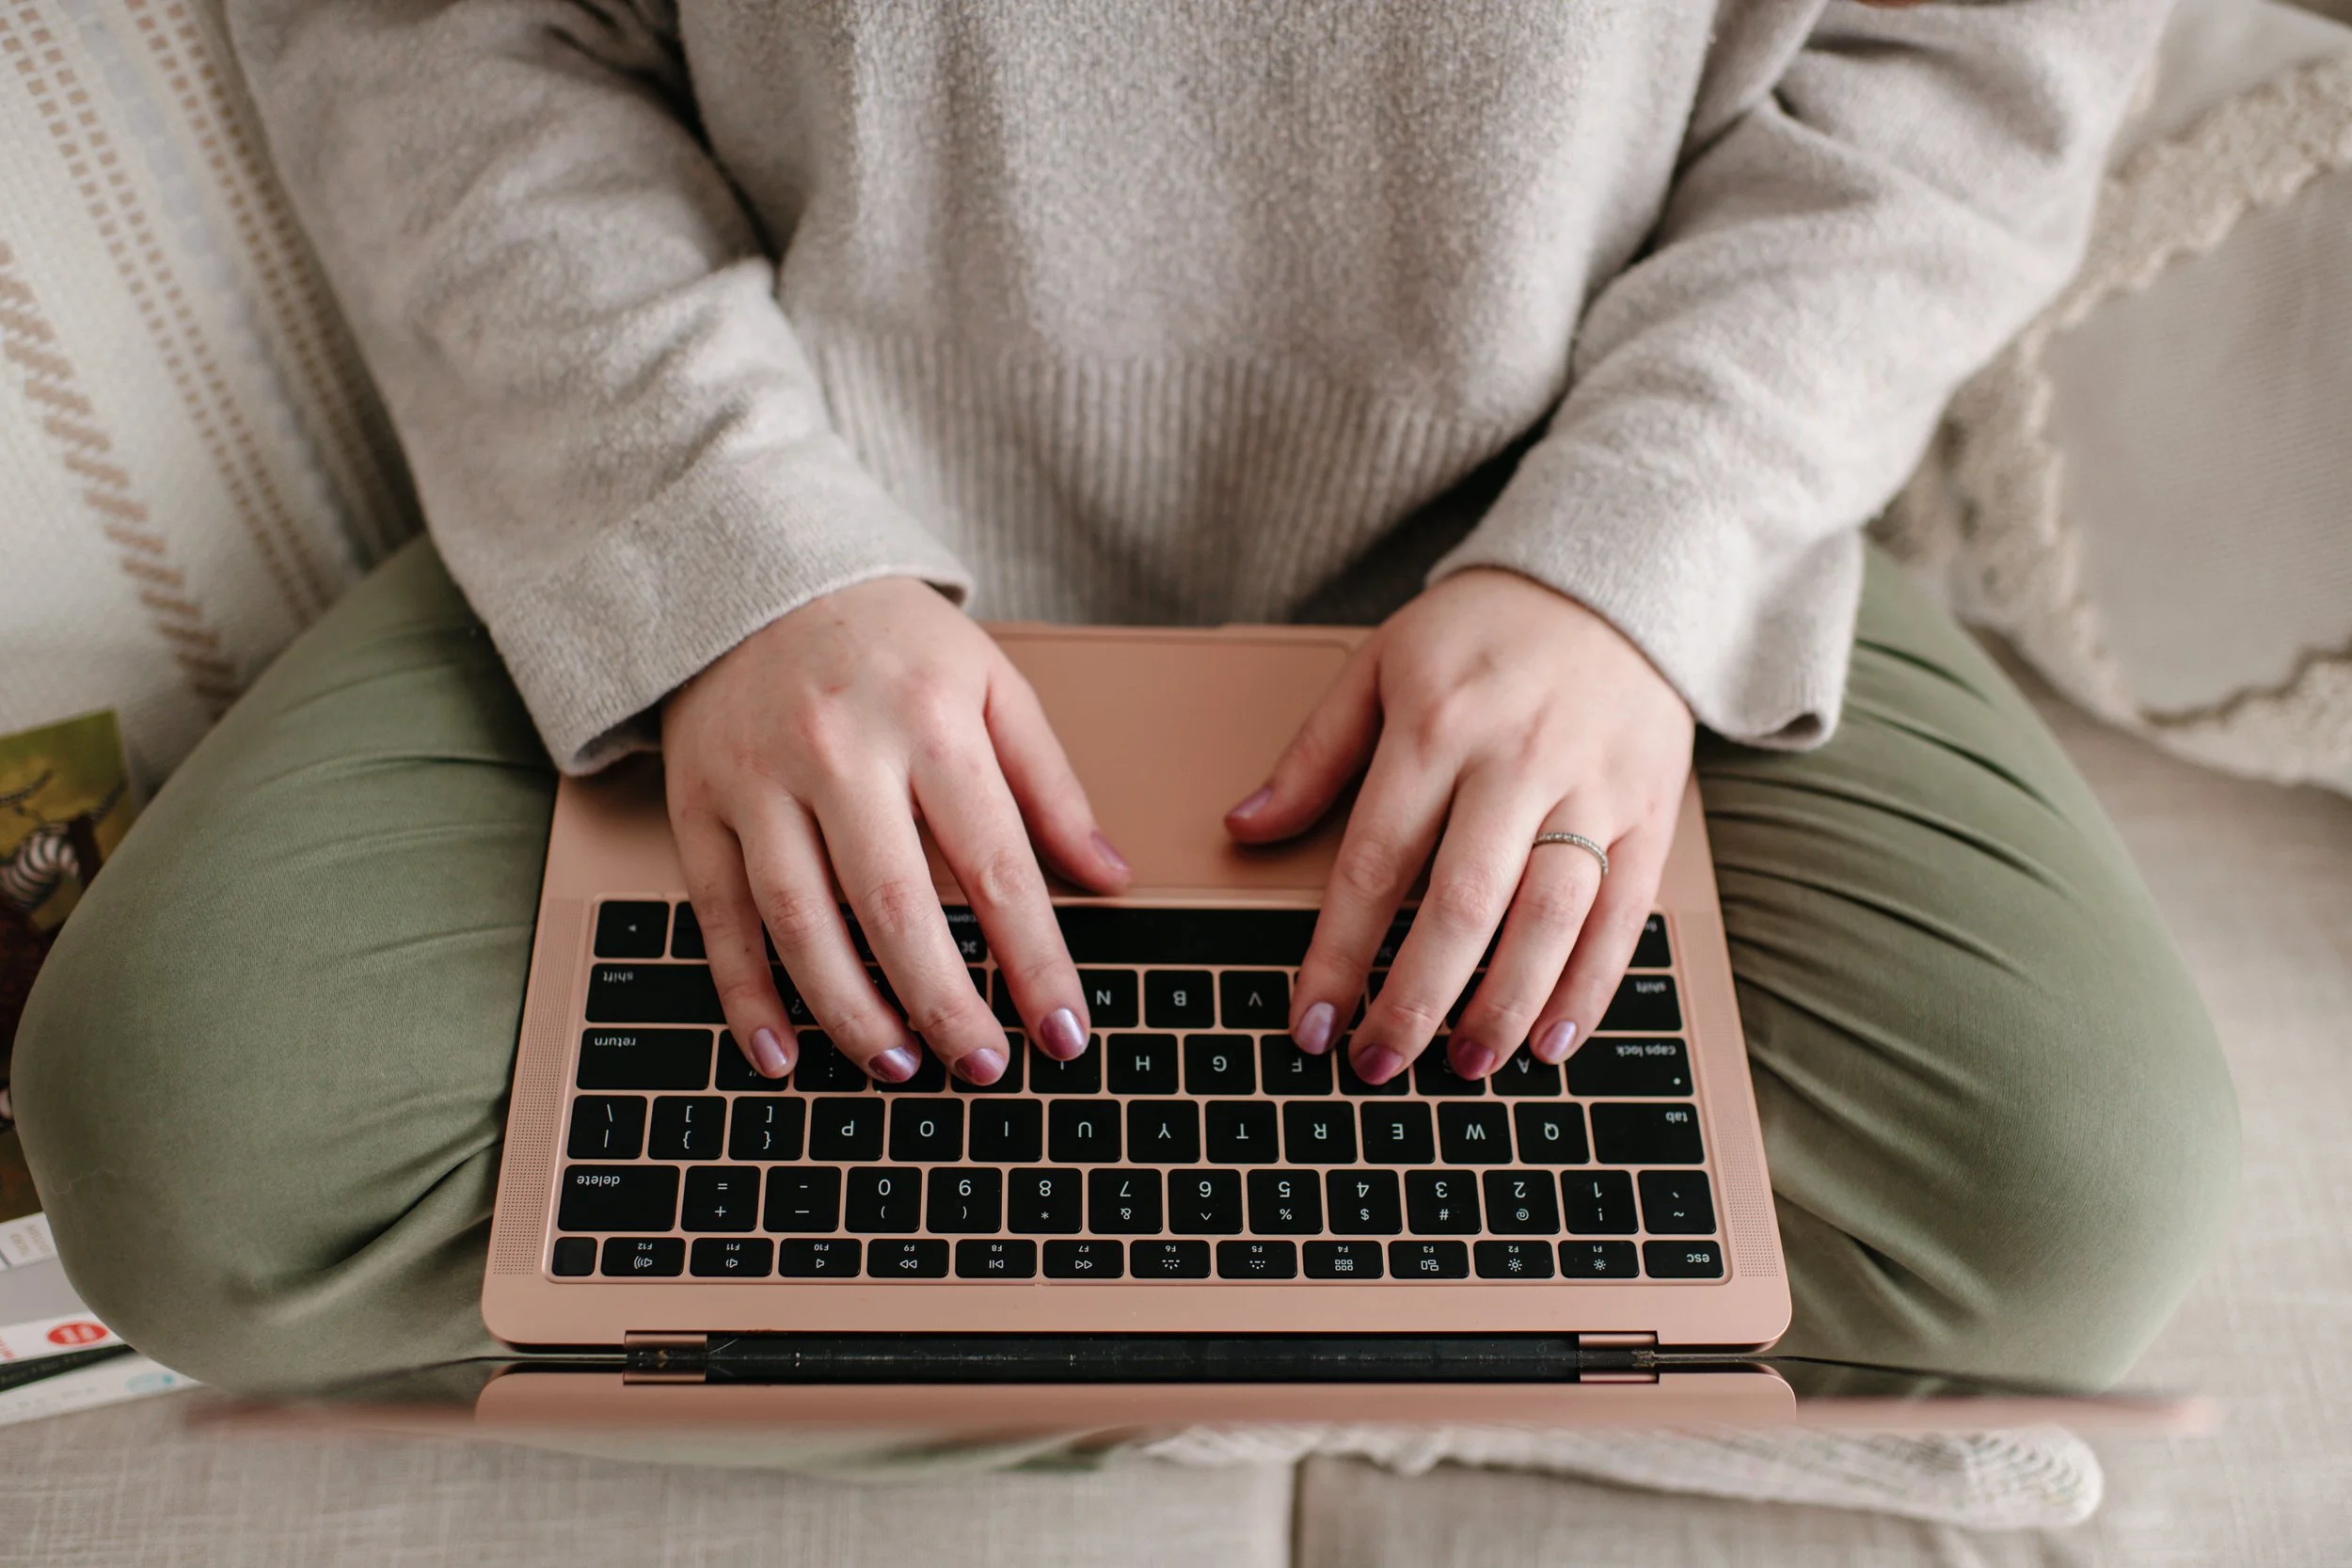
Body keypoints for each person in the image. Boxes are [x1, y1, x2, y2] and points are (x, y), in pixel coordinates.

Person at [16, 0, 2235, 1405]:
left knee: (2071, 1187)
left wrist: (1635, 564)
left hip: (1564, 504)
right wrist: (721, 552)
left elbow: (1974, 65)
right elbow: (430, 30)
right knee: (184, 1146)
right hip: (791, 499)